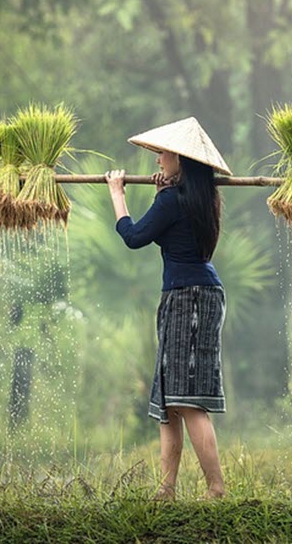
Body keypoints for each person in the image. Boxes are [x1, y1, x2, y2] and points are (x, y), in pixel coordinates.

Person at [104, 117, 233, 501]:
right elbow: (169, 222)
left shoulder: (173, 201)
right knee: (169, 400)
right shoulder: (200, 198)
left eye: (162, 154)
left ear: (179, 158)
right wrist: (163, 193)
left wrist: (117, 193)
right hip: (191, 294)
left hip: (189, 297)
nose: (157, 160)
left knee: (186, 400)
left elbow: (134, 236)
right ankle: (167, 489)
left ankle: (216, 488)